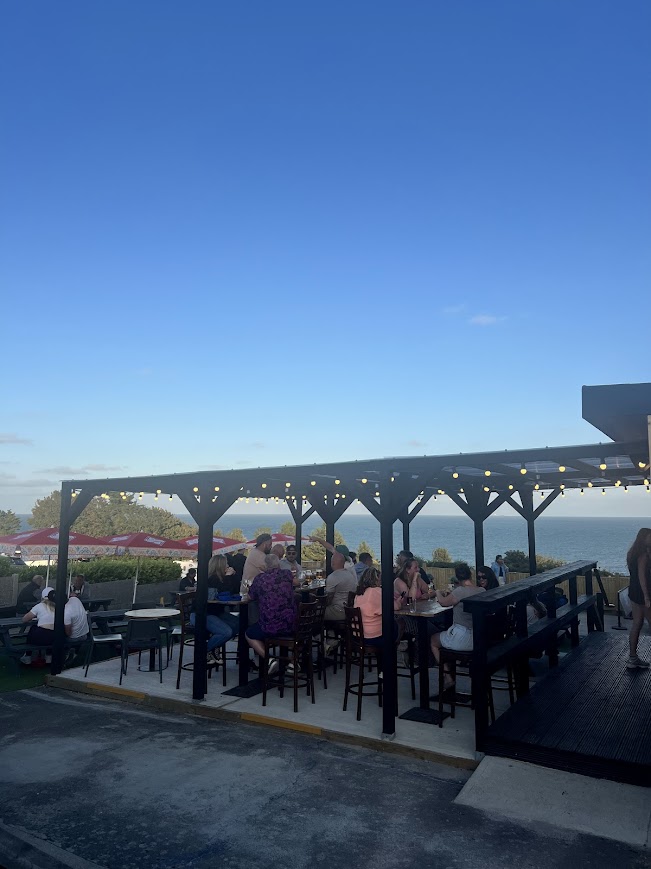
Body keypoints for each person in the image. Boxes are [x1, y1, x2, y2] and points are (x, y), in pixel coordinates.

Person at [430, 564, 485, 689]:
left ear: (457, 577)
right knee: (445, 635)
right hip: (478, 638)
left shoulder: (460, 591)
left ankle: (448, 677)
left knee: (433, 640)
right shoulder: (481, 591)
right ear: (470, 574)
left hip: (461, 637)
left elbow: (444, 603)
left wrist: (437, 592)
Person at [245, 553, 297, 675]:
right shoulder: (286, 574)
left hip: (270, 626)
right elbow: (297, 583)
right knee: (302, 632)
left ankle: (269, 658)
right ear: (278, 563)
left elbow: (249, 597)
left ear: (265, 565)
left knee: (249, 634)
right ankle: (293, 661)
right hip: (290, 625)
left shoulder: (260, 579)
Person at [353, 567, 402, 647]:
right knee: (396, 623)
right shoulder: (377, 591)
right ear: (375, 579)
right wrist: (399, 601)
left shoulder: (359, 593)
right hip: (373, 637)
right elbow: (396, 607)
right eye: (380, 578)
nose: (381, 581)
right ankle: (389, 653)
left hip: (358, 635)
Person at [625, 527, 651, 669]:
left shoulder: (632, 553)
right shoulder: (643, 556)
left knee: (637, 624)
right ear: (644, 538)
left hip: (634, 592)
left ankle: (632, 658)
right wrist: (647, 597)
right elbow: (642, 577)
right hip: (643, 594)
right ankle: (633, 659)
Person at [20, 587, 56, 665]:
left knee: (33, 629)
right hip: (56, 636)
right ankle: (48, 656)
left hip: (41, 637)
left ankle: (28, 656)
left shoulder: (39, 606)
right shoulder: (59, 606)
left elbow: (25, 619)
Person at [324, 551, 357, 623]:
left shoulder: (333, 577)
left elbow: (328, 600)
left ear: (332, 563)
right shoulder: (350, 575)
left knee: (315, 611)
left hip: (338, 612)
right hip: (349, 610)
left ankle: (310, 633)